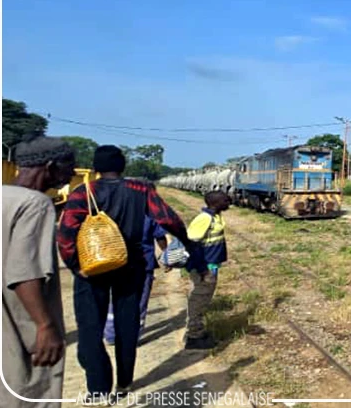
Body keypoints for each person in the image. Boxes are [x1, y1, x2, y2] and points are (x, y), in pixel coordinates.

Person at [56, 145, 189, 399]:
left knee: (90, 328)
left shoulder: (84, 191)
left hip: (92, 268)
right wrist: (187, 241)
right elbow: (167, 219)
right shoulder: (141, 189)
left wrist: (75, 266)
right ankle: (124, 382)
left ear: (95, 168)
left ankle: (98, 390)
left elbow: (66, 234)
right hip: (131, 265)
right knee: (127, 326)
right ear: (122, 166)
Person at [0, 137, 76, 408]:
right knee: (29, 393)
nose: (72, 174)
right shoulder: (36, 204)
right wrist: (44, 325)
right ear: (50, 167)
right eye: (68, 167)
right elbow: (24, 272)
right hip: (22, 325)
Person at [104, 215, 168, 346]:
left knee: (118, 298)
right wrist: (167, 255)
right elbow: (160, 236)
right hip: (144, 265)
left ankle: (111, 334)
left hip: (119, 263)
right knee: (140, 302)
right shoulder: (149, 214)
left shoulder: (114, 211)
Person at [184, 190, 232, 350]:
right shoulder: (204, 218)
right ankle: (194, 336)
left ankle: (197, 331)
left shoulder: (215, 216)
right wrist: (202, 269)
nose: (228, 202)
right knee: (199, 300)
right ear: (215, 203)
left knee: (203, 299)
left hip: (210, 266)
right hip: (204, 268)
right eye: (225, 200)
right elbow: (192, 245)